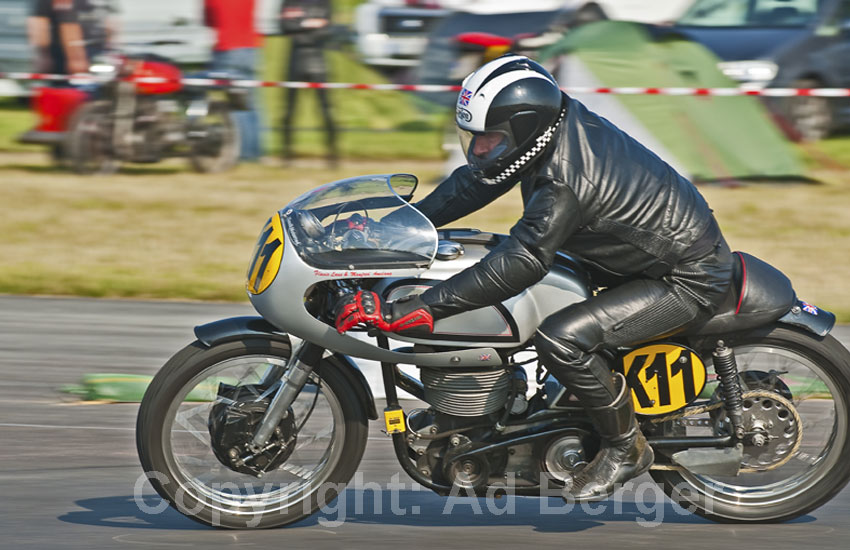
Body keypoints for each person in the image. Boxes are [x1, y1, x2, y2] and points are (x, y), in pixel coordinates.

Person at [334, 54, 735, 501]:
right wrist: (396, 226)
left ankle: (625, 448)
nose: (479, 148)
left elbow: (523, 259)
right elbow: (474, 183)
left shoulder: (564, 181)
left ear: (523, 130)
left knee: (561, 339)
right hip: (633, 259)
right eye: (474, 137)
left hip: (683, 278)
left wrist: (420, 307)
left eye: (489, 138)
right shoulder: (547, 130)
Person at [279, 0, 338, 166]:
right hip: (295, 58)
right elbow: (285, 26)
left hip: (317, 59)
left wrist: (300, 23)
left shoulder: (324, 2)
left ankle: (333, 155)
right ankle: (287, 155)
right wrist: (312, 23)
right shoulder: (289, 1)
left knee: (326, 109)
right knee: (289, 110)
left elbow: (327, 30)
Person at [204, 0, 263, 161]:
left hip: (227, 49)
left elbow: (208, 20)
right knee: (251, 104)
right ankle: (255, 152)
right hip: (251, 48)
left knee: (235, 106)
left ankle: (243, 154)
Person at [27, 0, 117, 75]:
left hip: (96, 51)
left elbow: (110, 22)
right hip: (69, 54)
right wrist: (76, 59)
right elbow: (68, 24)